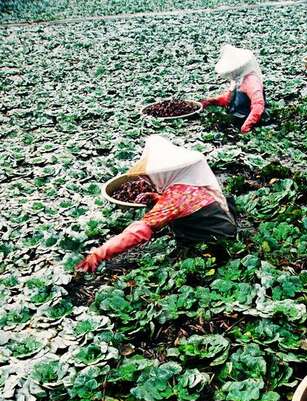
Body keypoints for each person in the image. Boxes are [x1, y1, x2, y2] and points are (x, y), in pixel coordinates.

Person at [76, 136, 237, 273]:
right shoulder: (190, 180)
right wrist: (156, 197)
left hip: (215, 242)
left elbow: (139, 232)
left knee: (183, 265)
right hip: (223, 224)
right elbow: (187, 203)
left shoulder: (176, 197)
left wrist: (99, 254)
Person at [201, 44, 266, 134]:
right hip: (236, 116)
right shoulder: (238, 78)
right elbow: (229, 98)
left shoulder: (252, 81)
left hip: (248, 120)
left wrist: (247, 126)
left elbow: (258, 105)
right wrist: (212, 101)